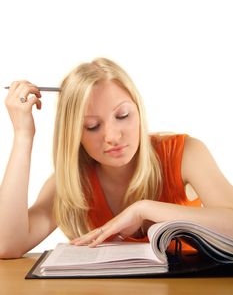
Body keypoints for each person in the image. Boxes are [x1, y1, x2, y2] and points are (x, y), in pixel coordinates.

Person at [0, 58, 233, 259]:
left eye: (122, 115)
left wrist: (144, 209)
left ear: (138, 111)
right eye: (92, 126)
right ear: (75, 135)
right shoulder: (71, 182)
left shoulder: (185, 153)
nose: (111, 136)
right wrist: (23, 136)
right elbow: (8, 245)